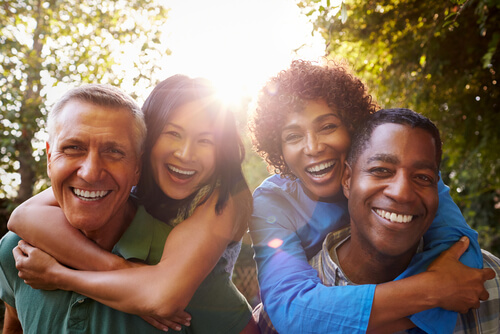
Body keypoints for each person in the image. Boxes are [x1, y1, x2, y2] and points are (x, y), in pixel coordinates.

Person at [248, 60, 493, 333]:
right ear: (278, 150)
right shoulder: (272, 203)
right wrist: (433, 290)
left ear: (353, 129)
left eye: (328, 127)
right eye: (293, 136)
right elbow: (290, 309)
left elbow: (461, 257)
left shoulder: (409, 183)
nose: (313, 147)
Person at [7, 77, 258, 333]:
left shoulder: (225, 198)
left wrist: (59, 276)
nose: (185, 154)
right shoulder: (121, 179)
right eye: (173, 133)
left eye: (206, 141)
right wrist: (128, 274)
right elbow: (24, 216)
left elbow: (163, 297)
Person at [309, 108, 500, 333]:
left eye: (422, 177)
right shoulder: (284, 310)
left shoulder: (489, 283)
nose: (402, 193)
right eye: (381, 170)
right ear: (348, 179)